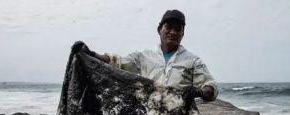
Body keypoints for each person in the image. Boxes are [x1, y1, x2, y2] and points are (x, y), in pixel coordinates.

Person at [72, 9, 218, 101]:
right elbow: (117, 62)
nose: (173, 32)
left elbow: (210, 86)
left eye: (178, 29)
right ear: (159, 29)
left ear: (182, 34)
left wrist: (199, 91)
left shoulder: (192, 60)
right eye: (168, 27)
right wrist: (90, 54)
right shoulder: (143, 56)